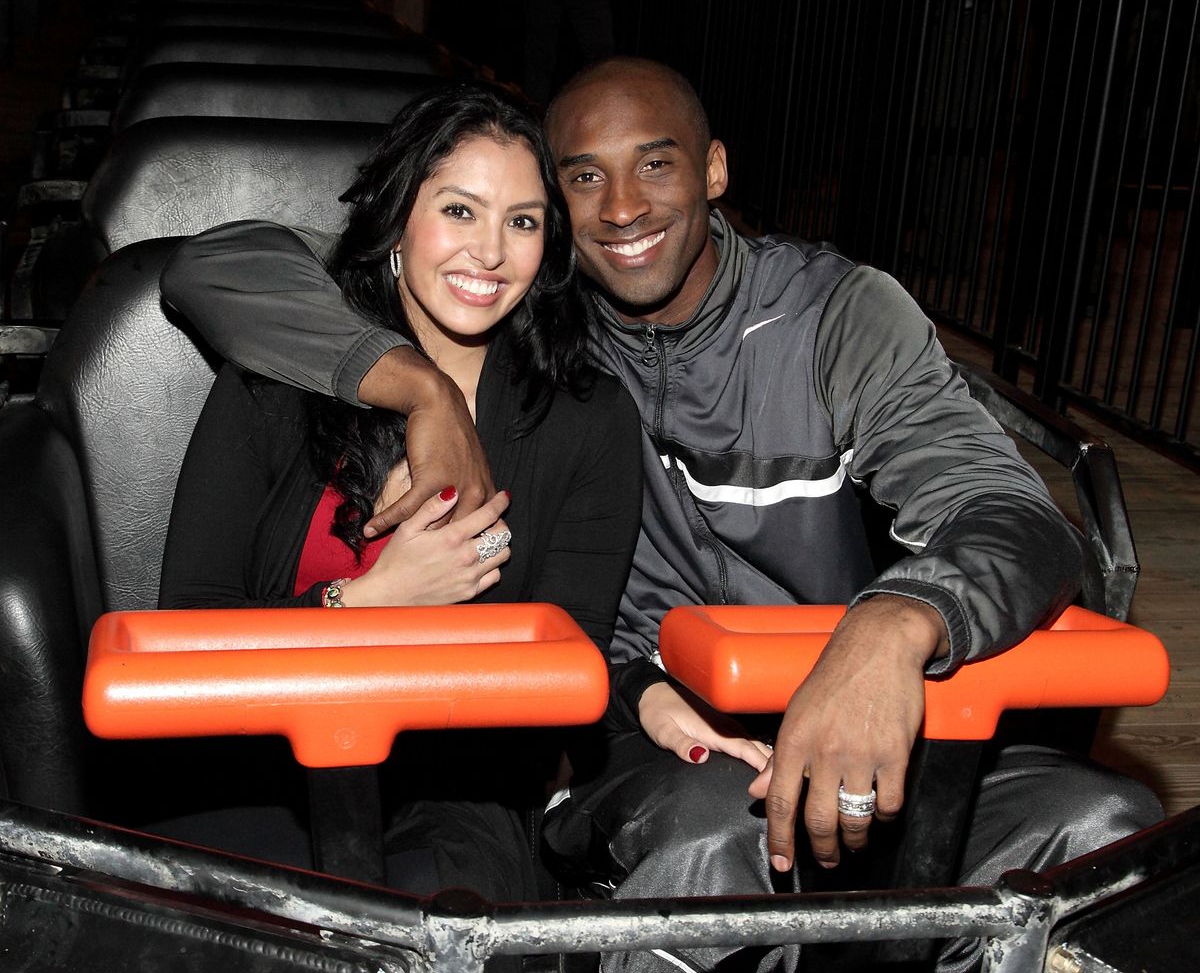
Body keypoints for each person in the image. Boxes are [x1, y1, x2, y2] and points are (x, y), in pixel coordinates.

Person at [161, 59, 1161, 973]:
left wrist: (896, 625)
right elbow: (225, 266)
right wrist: (418, 389)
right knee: (706, 836)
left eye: (654, 164)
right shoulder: (545, 339)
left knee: (1106, 823)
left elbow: (1010, 513)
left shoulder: (826, 318)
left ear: (715, 169)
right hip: (657, 742)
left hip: (869, 706)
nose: (623, 206)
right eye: (583, 179)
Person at [158, 83, 643, 910]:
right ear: (397, 222)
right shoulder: (281, 375)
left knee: (440, 914)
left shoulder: (586, 419)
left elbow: (565, 678)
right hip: (257, 767)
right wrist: (368, 603)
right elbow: (190, 629)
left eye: (522, 222)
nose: (489, 253)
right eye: (460, 211)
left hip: (459, 786)